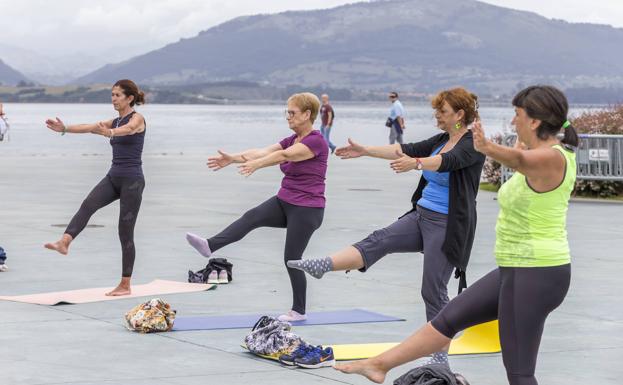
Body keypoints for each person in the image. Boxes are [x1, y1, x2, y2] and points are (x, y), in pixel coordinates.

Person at [333, 85, 579, 385]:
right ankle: (379, 365)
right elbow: (521, 157)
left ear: (535, 121)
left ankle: (379, 364)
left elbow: (521, 161)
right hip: (514, 269)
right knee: (446, 320)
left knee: (519, 372)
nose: (513, 122)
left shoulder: (554, 158)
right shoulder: (536, 152)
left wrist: (486, 146)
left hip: (538, 273)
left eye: (517, 115)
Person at [289, 87, 485, 366]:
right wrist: (365, 150)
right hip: (421, 216)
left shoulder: (472, 144)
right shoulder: (442, 139)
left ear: (459, 114)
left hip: (448, 225)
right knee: (380, 239)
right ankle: (325, 265)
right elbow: (403, 148)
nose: (436, 117)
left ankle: (441, 358)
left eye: (442, 112)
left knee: (432, 290)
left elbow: (446, 162)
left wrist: (416, 164)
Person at [185, 92, 328, 322]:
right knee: (252, 217)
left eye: (292, 113)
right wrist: (233, 158)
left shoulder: (315, 141)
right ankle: (210, 245)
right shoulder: (291, 139)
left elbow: (283, 156)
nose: (288, 117)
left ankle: (299, 311)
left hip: (307, 209)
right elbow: (263, 151)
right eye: (287, 112)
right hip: (285, 201)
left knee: (292, 258)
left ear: (307, 114)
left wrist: (257, 165)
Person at [44, 79, 147, 296]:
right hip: (114, 176)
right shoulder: (114, 121)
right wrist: (64, 128)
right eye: (112, 95)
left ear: (129, 98)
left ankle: (125, 285)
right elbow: (90, 127)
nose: (113, 99)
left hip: (132, 181)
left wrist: (109, 133)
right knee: (88, 204)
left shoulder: (137, 119)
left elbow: (129, 130)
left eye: (118, 95)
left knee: (125, 232)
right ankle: (64, 242)